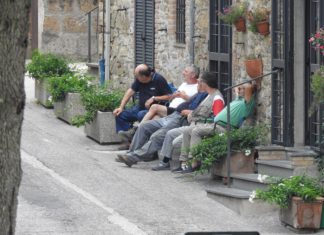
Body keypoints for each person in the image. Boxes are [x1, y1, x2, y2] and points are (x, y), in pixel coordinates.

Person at [117, 72, 223, 168]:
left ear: (205, 83)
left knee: (157, 136)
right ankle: (130, 154)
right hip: (174, 114)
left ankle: (135, 157)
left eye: (200, 81)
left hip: (183, 119)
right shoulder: (204, 94)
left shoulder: (212, 96)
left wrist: (190, 113)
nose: (198, 83)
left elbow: (216, 119)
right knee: (144, 126)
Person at [153, 79, 256, 173]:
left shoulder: (248, 103)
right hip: (215, 125)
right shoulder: (238, 100)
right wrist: (238, 91)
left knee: (196, 132)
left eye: (242, 89)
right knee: (187, 130)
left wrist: (245, 84)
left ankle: (194, 163)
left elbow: (248, 87)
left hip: (224, 128)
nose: (240, 90)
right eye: (240, 89)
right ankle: (184, 162)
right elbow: (241, 92)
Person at [113, 64, 172, 133]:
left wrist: (154, 98)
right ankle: (127, 135)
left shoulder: (158, 79)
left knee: (140, 115)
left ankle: (135, 135)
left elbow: (169, 96)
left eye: (136, 75)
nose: (135, 77)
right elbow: (130, 92)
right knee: (120, 115)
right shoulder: (139, 80)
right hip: (140, 107)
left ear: (143, 77)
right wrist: (121, 107)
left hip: (152, 111)